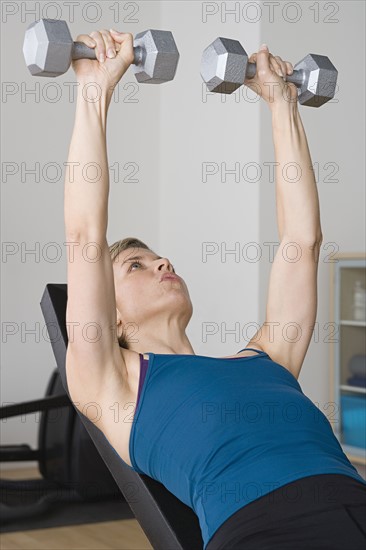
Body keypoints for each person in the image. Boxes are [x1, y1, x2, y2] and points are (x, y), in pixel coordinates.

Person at [64, 28, 366, 550]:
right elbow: (85, 237)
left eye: (158, 257)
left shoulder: (270, 358)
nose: (162, 262)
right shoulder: (113, 387)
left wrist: (282, 104)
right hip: (268, 531)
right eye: (136, 265)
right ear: (110, 319)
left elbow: (302, 240)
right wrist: (94, 92)